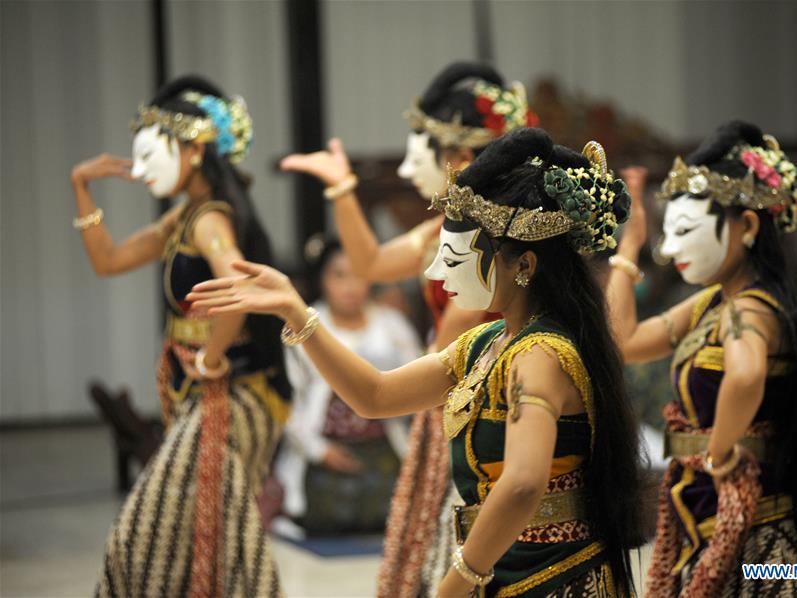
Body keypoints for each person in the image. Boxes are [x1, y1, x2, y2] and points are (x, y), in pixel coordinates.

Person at [187, 127, 644, 596]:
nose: (433, 271)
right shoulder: (485, 343)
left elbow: (524, 485)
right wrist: (296, 311)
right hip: (504, 566)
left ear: (523, 265)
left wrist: (459, 581)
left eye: (452, 257)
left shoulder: (541, 356)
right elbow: (376, 395)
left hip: (554, 578)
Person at [280, 62, 539, 596]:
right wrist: (342, 189)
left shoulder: (489, 255)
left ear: (459, 159)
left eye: (416, 157)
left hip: (472, 385)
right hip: (449, 378)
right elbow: (371, 263)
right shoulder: (438, 230)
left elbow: (456, 330)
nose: (405, 170)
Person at [71, 75, 289, 597]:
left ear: (194, 151)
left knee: (148, 529)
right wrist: (81, 188)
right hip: (203, 395)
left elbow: (237, 292)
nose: (141, 171)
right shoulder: (186, 216)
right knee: (204, 532)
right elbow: (109, 260)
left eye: (151, 156)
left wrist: (211, 358)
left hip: (233, 395)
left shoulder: (209, 221)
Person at [606, 120, 797, 596]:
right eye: (667, 233)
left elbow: (746, 377)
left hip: (751, 524)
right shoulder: (714, 301)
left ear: (747, 226)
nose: (668, 251)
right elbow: (623, 340)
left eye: (684, 231)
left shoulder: (749, 309)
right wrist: (629, 249)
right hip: (706, 514)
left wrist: (719, 452)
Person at [275, 239, 422, 536]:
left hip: (384, 450)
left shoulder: (392, 325)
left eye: (358, 275)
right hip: (322, 454)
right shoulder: (303, 324)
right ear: (323, 279)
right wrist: (319, 451)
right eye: (339, 275)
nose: (350, 286)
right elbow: (285, 399)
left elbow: (420, 381)